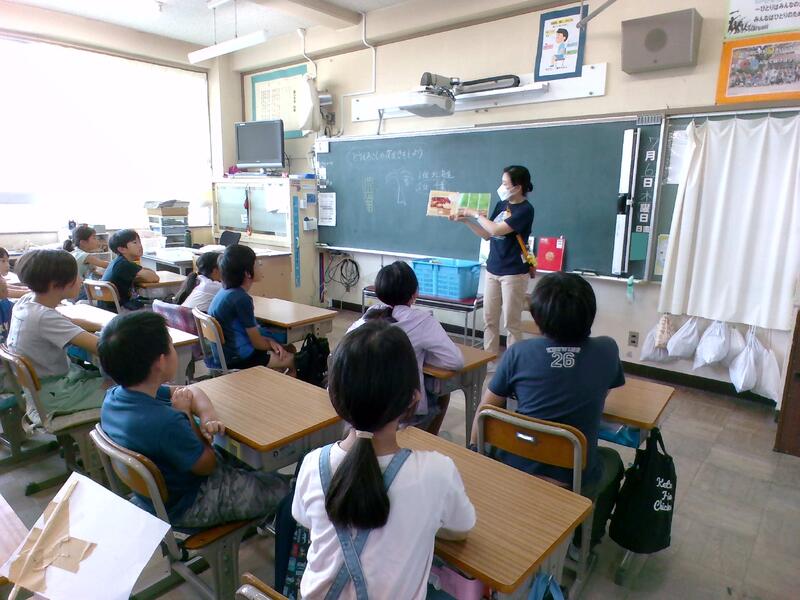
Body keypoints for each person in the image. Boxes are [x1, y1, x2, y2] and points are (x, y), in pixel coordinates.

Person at [292, 321, 476, 599]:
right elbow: (462, 528)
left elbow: (305, 519)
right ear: (413, 399)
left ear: (333, 395)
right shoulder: (437, 472)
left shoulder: (313, 463)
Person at [469, 272, 624, 548]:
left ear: (538, 318)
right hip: (572, 478)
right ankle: (585, 540)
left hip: (515, 464)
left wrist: (473, 452)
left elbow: (485, 411)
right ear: (590, 315)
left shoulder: (518, 353)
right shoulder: (607, 350)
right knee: (613, 459)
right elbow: (604, 392)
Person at [99, 311, 288, 527]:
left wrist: (207, 416)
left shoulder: (115, 398)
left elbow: (191, 391)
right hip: (191, 502)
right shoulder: (167, 422)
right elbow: (208, 465)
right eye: (171, 345)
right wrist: (186, 414)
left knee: (251, 460)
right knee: (288, 490)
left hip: (159, 495)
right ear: (160, 362)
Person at [347, 261, 463, 429]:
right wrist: (422, 356)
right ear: (415, 292)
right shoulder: (422, 321)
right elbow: (455, 361)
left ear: (379, 291)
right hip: (405, 413)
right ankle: (426, 439)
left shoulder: (367, 317)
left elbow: (345, 348)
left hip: (365, 405)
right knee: (442, 392)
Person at [6, 249, 106, 422]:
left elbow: (69, 321)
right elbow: (103, 348)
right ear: (55, 284)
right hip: (57, 397)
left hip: (42, 391)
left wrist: (105, 325)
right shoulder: (44, 317)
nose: (81, 280)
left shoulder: (26, 302)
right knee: (131, 389)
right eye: (76, 276)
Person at [452, 165, 534, 356]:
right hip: (493, 269)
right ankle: (487, 363)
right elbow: (487, 234)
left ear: (518, 187)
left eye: (505, 183)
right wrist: (465, 220)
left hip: (513, 273)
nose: (501, 187)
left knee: (511, 324)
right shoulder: (501, 205)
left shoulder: (525, 210)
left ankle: (513, 365)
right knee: (489, 320)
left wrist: (475, 214)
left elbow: (497, 229)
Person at [208, 244, 294, 372]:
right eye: (256, 263)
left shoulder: (224, 292)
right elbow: (257, 343)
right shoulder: (241, 299)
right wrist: (271, 344)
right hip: (239, 358)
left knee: (283, 349)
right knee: (292, 359)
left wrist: (270, 342)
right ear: (247, 273)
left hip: (224, 356)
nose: (259, 266)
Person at [100, 229, 159, 312]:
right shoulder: (124, 264)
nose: (140, 246)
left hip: (108, 308)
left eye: (139, 242)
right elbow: (154, 278)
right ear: (122, 249)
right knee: (157, 308)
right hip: (118, 309)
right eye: (135, 243)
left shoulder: (117, 262)